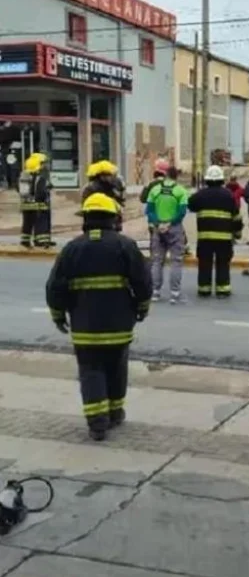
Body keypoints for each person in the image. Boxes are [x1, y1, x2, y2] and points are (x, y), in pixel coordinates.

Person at [45, 193, 152, 441]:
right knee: (117, 367)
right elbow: (143, 281)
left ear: (86, 220)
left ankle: (97, 423)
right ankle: (115, 413)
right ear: (113, 219)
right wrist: (142, 307)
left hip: (85, 327)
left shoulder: (72, 248)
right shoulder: (125, 245)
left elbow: (55, 286)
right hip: (119, 325)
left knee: (90, 370)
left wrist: (58, 314)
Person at [188, 165, 243, 297]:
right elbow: (236, 217)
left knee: (204, 263)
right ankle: (222, 290)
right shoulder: (228, 195)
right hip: (224, 239)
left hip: (205, 238)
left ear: (207, 180)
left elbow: (190, 205)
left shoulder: (200, 195)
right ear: (221, 180)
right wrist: (237, 233)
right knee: (223, 263)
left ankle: (204, 289)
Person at [146, 165, 188, 303]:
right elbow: (182, 212)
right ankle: (174, 294)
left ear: (165, 175)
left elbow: (149, 210)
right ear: (177, 176)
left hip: (158, 228)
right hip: (174, 228)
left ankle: (155, 292)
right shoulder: (180, 191)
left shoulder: (155, 190)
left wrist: (158, 223)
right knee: (176, 261)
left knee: (157, 261)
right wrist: (170, 223)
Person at [18, 152, 52, 248]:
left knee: (27, 223)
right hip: (38, 204)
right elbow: (41, 191)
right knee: (41, 222)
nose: (44, 165)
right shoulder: (40, 177)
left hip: (26, 204)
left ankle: (25, 241)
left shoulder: (24, 175)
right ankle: (41, 241)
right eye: (42, 163)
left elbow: (19, 189)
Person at [82, 160, 124, 232]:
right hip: (99, 218)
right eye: (108, 175)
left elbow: (120, 199)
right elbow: (86, 204)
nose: (110, 177)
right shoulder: (92, 187)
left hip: (107, 219)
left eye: (110, 174)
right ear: (101, 176)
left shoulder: (113, 185)